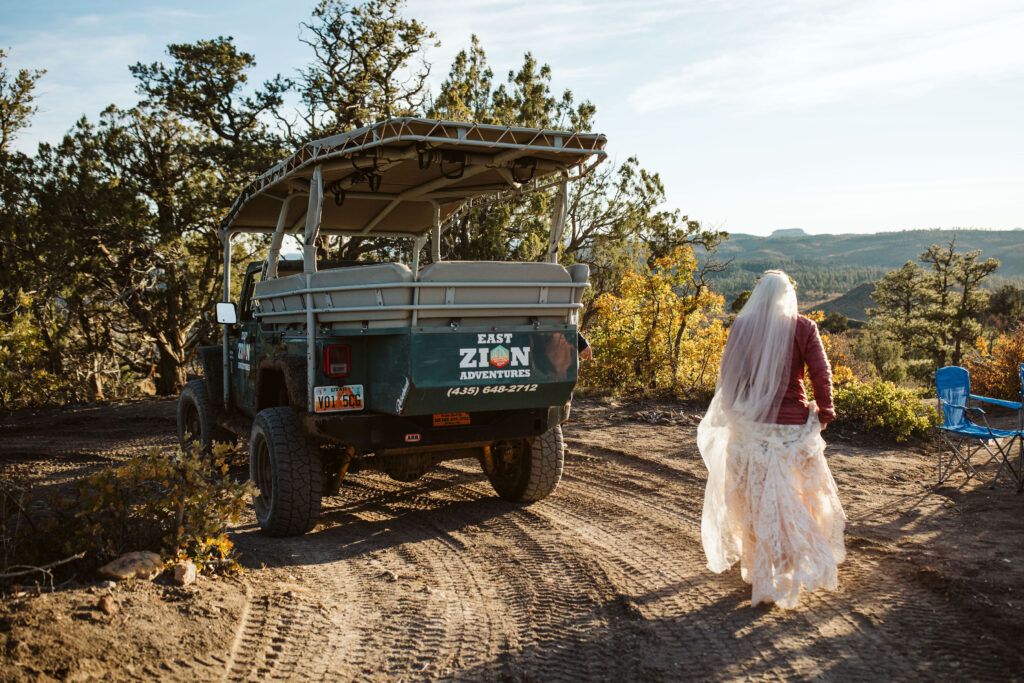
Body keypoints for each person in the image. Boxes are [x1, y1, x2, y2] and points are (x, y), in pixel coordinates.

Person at [697, 270, 845, 609]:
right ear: (787, 296)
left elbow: (730, 377)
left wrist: (736, 413)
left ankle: (761, 558)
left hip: (751, 427)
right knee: (796, 493)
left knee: (753, 496)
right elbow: (821, 372)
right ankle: (790, 556)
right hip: (792, 428)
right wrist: (825, 409)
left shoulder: (743, 327)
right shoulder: (804, 327)